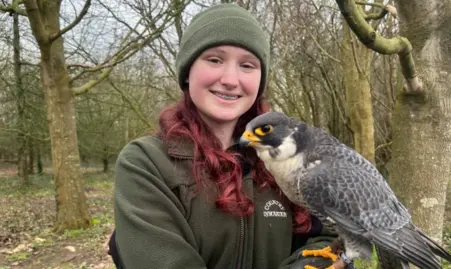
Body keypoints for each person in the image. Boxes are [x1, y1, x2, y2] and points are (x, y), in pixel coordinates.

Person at [107, 3, 340, 269]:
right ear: (187, 72)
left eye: (247, 65)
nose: (230, 79)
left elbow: (328, 237)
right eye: (215, 59)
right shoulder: (146, 163)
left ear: (260, 79)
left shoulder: (293, 157)